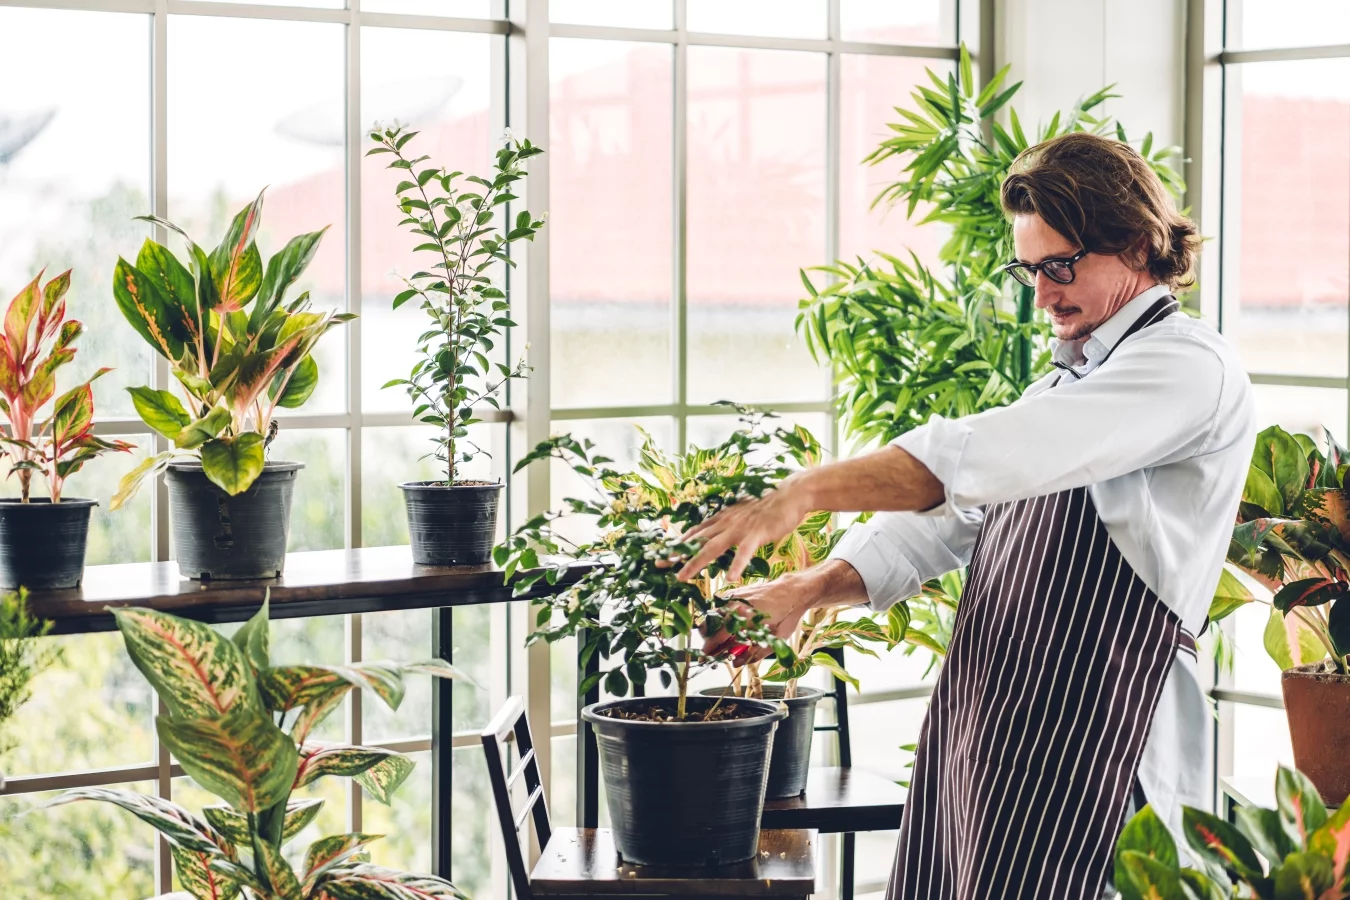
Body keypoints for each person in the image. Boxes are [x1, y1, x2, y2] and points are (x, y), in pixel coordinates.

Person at [677, 132, 1256, 900]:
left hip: (1097, 735)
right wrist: (807, 589)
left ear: (1141, 244)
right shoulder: (1074, 379)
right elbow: (950, 523)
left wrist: (806, 492)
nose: (1043, 293)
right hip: (990, 726)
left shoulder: (1188, 367)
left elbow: (989, 455)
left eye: (1062, 265)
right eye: (1030, 270)